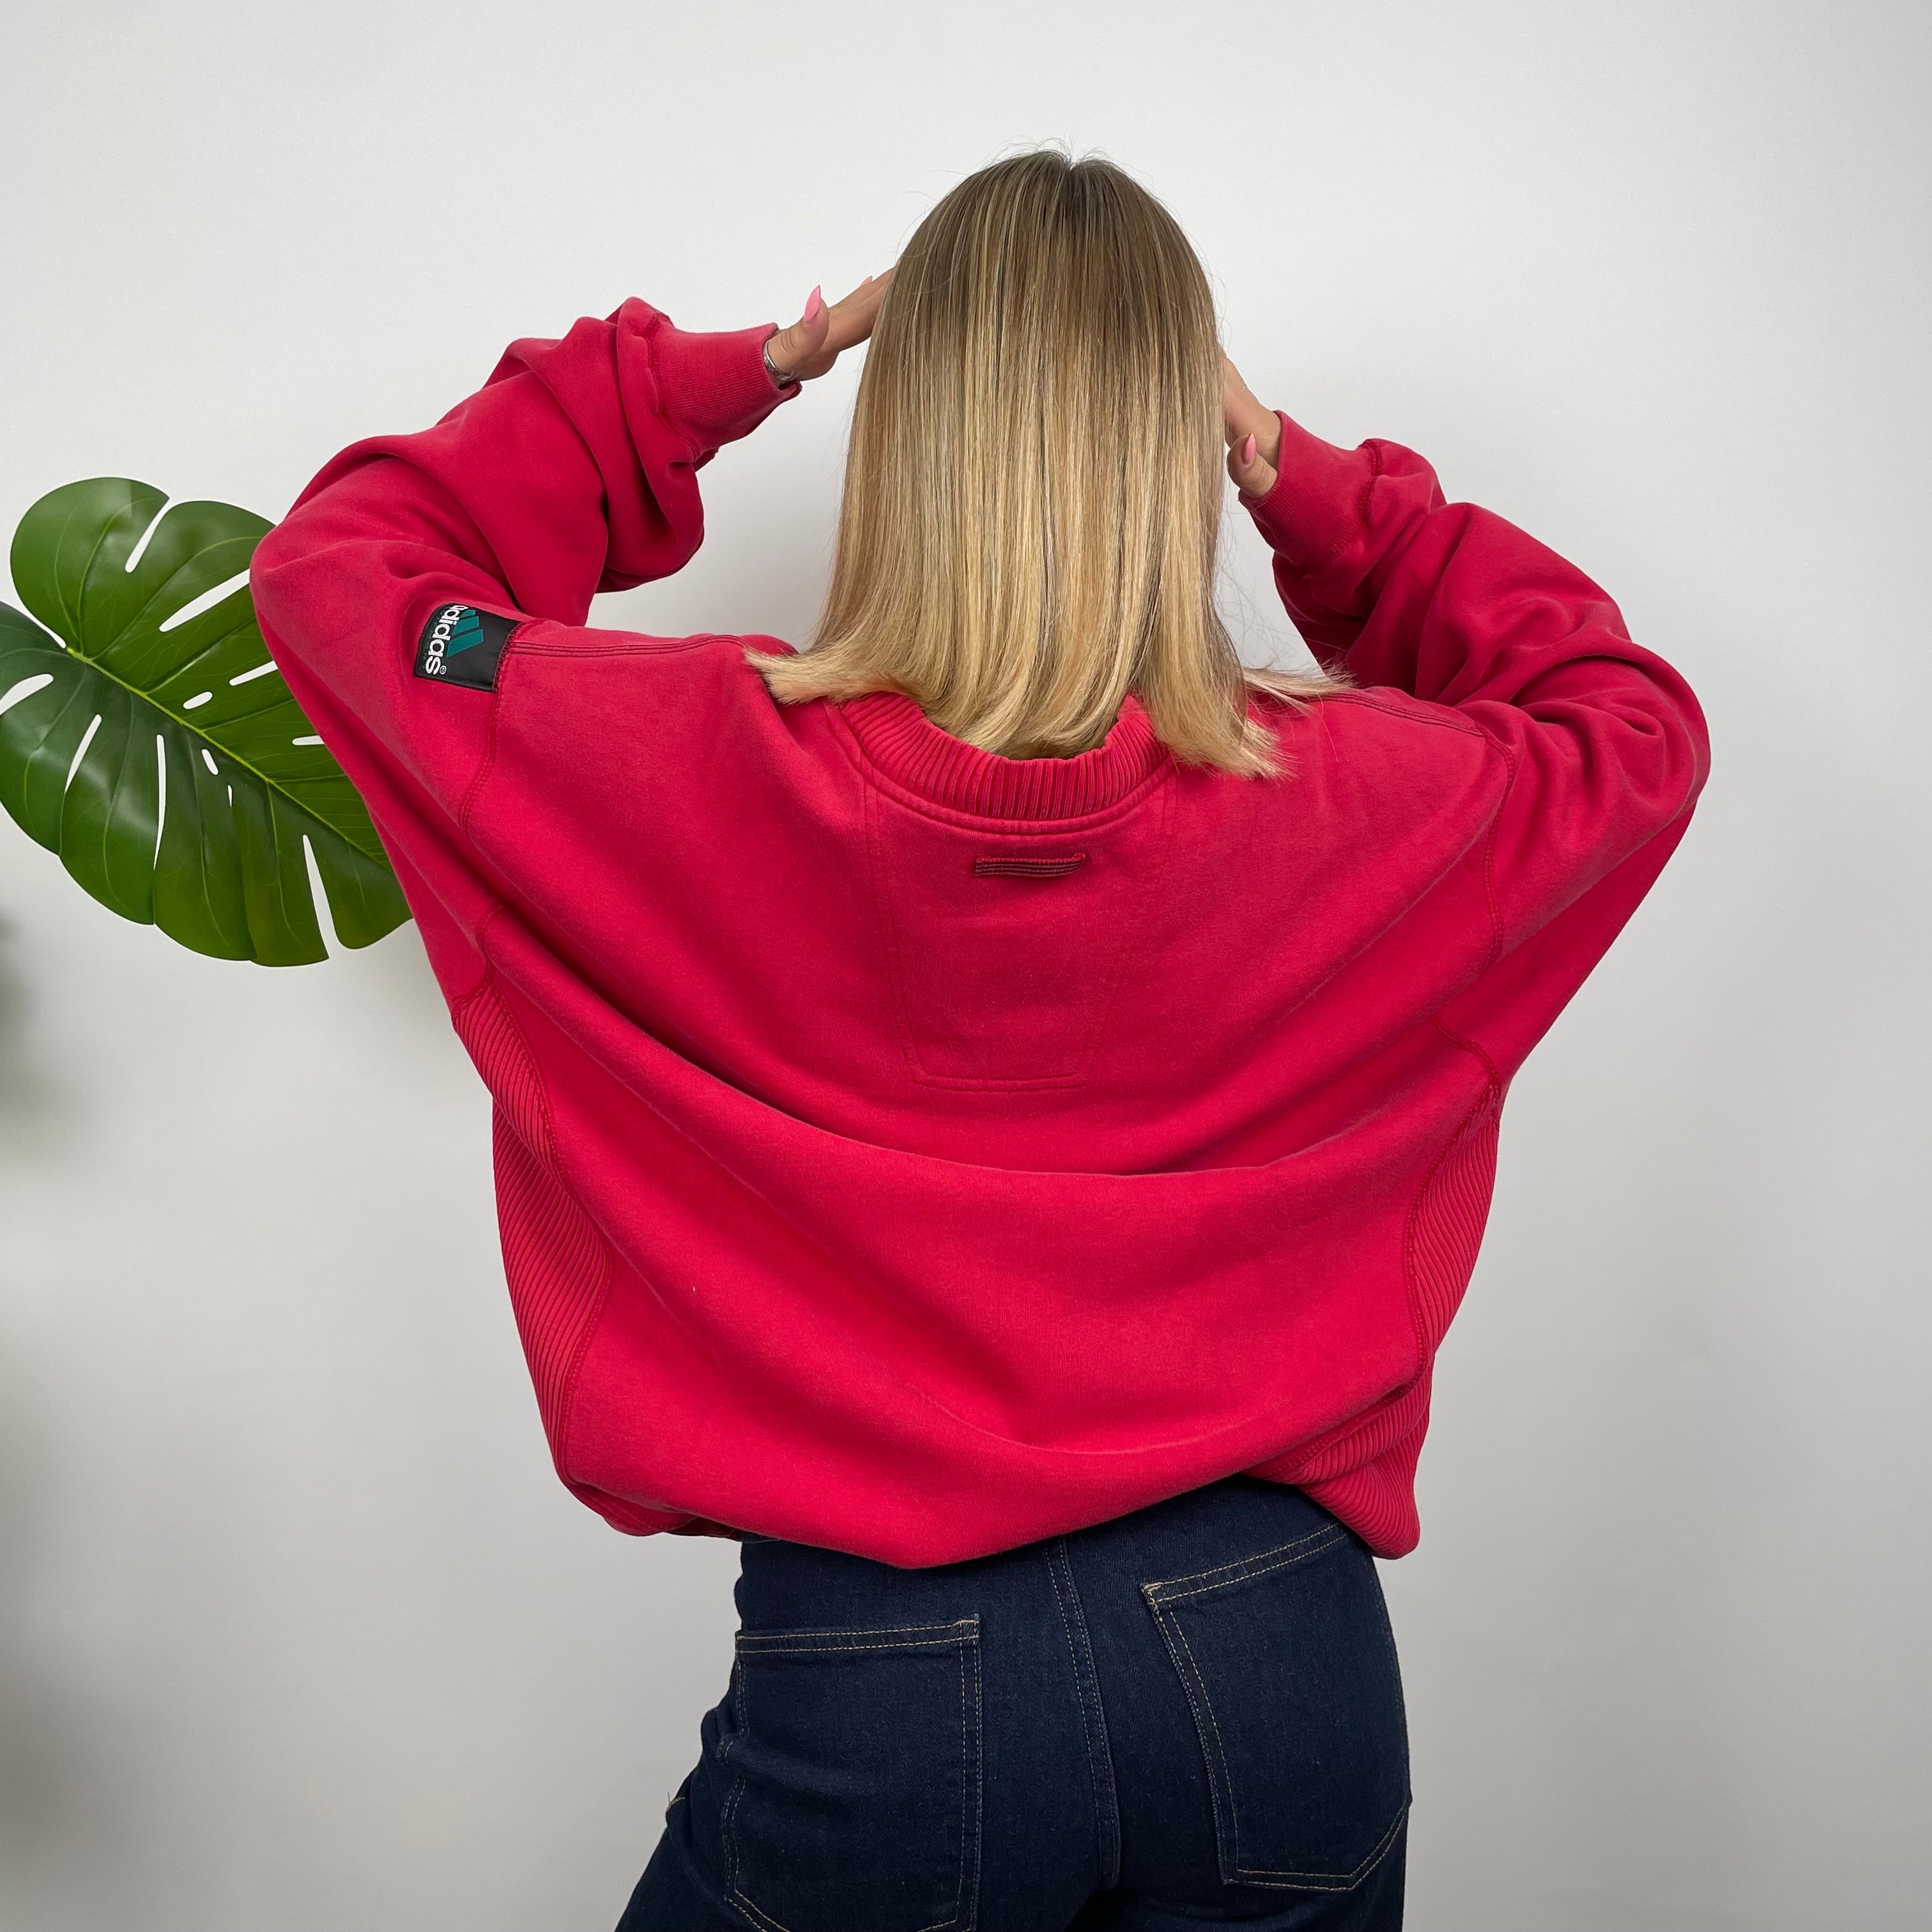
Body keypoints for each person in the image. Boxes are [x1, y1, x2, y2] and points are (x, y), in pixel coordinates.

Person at [249, 148, 1708, 1931]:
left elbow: (343, 578)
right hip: (1286, 1660)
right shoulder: (1361, 804)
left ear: (908, 429)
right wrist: (1302, 479)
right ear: (1171, 440)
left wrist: (740, 372)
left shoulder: (675, 760)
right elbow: (1620, 722)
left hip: (889, 1669)